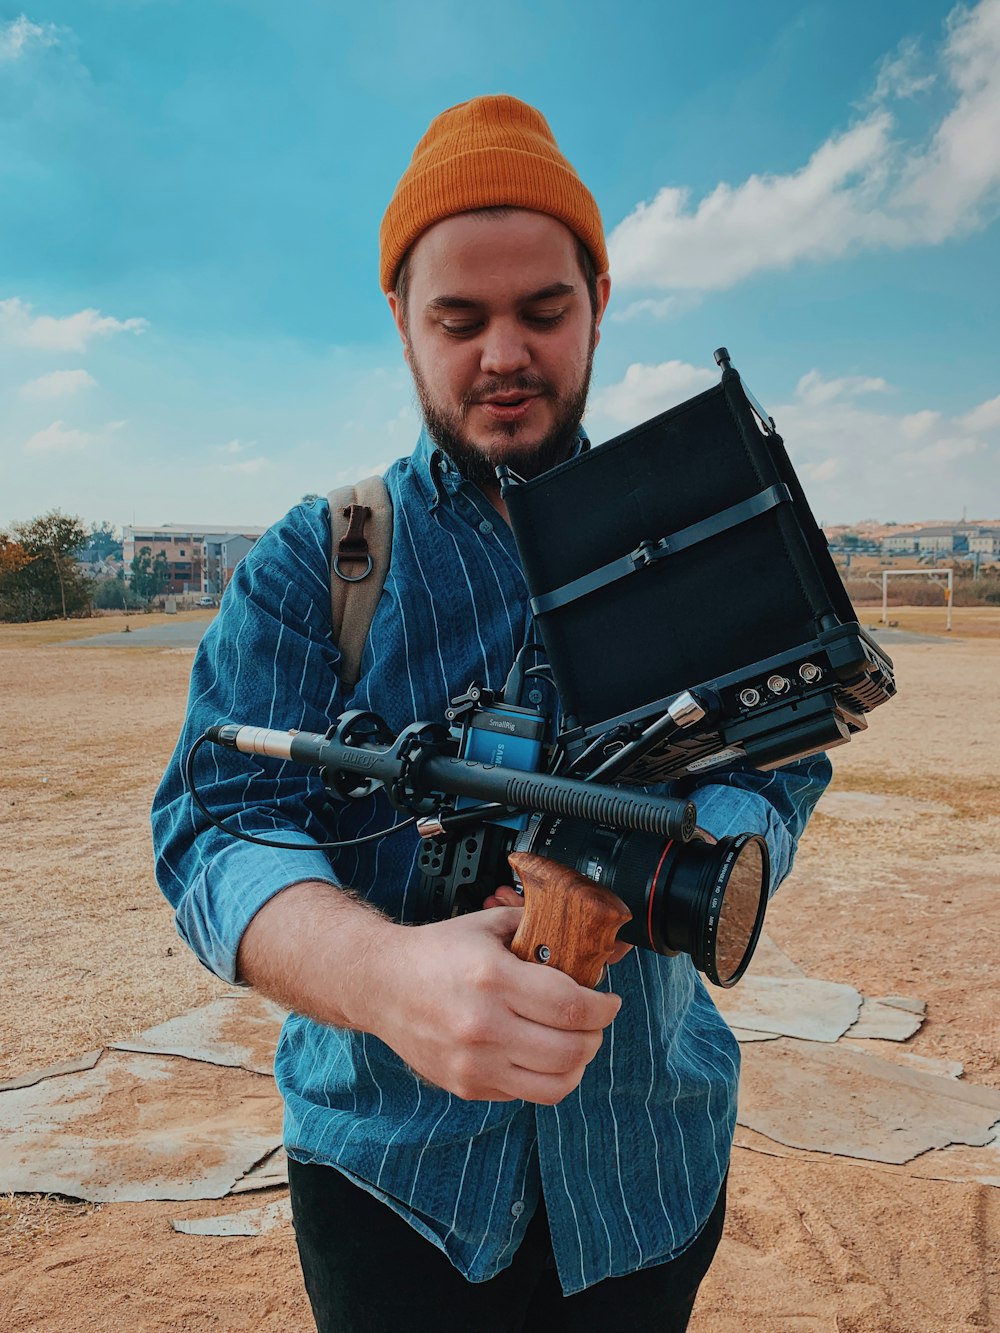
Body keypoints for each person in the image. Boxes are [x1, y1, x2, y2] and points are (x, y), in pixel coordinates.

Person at [152, 95, 831, 1331]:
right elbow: (215, 827)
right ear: (400, 320)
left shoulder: (700, 533)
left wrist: (668, 856)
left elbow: (784, 757)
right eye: (458, 319)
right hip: (386, 1179)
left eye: (543, 311)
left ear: (602, 303)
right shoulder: (319, 561)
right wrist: (384, 976)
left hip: (648, 1168)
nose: (502, 354)